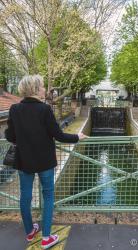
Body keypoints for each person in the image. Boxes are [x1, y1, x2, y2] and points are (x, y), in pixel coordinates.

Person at [5, 75, 87, 249]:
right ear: (35, 89)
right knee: (48, 195)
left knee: (25, 196)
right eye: (42, 87)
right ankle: (47, 237)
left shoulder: (14, 109)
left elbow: (10, 136)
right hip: (45, 161)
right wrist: (77, 137)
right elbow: (59, 135)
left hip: (24, 160)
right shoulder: (44, 109)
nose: (45, 90)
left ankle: (29, 231)